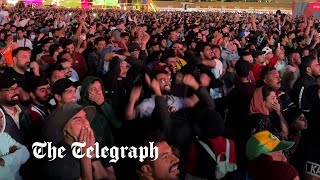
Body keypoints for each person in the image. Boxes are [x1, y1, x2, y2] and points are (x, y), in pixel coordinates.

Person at [42, 102, 116, 180]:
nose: (86, 123)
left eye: (85, 117)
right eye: (78, 120)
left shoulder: (97, 141)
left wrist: (92, 155)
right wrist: (86, 157)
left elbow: (111, 177)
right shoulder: (58, 160)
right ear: (64, 129)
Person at [79, 76, 121, 147]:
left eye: (100, 89)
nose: (98, 92)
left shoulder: (107, 102)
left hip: (110, 146)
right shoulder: (80, 109)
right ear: (86, 92)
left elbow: (117, 124)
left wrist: (103, 104)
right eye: (93, 89)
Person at [0, 108, 30, 180]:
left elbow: (25, 153)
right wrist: (15, 157)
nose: (0, 123)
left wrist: (4, 160)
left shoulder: (4, 136)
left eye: (1, 118)